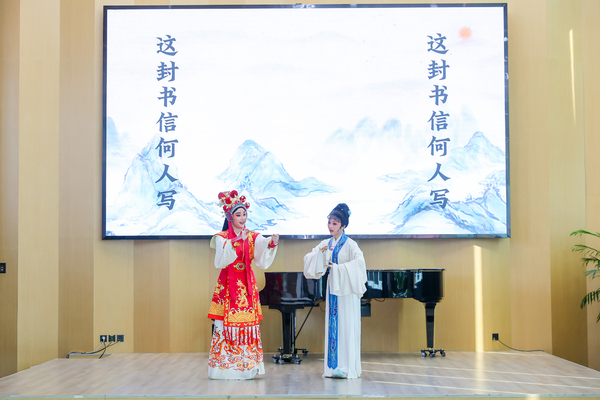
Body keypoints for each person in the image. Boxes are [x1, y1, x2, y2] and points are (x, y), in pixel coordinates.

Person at [207, 190, 279, 380]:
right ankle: (225, 368)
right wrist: (237, 240)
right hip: (228, 284)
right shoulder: (221, 237)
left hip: (247, 285)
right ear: (230, 217)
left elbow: (262, 250)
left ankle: (248, 367)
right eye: (238, 214)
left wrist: (272, 243)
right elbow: (221, 260)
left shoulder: (252, 236)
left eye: (244, 214)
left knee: (249, 326)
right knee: (225, 325)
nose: (242, 217)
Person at [303, 203, 367, 379]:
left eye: (335, 223)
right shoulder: (326, 243)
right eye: (329, 222)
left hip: (346, 292)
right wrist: (320, 253)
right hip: (333, 290)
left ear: (343, 225)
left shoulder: (351, 245)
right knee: (334, 326)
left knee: (346, 326)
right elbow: (309, 259)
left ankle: (347, 368)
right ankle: (333, 368)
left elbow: (359, 264)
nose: (331, 226)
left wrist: (338, 268)